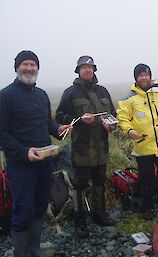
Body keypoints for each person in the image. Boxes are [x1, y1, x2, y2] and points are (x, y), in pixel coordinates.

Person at [0, 50, 71, 257]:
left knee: (40, 205)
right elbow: (1, 132)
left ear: (38, 69)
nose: (29, 68)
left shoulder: (41, 95)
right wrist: (24, 152)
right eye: (25, 65)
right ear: (17, 68)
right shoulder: (5, 96)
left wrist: (58, 130)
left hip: (45, 160)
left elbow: (47, 124)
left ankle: (34, 249)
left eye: (33, 65)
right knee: (23, 208)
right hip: (21, 164)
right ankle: (21, 253)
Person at [56, 56, 116, 238]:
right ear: (78, 71)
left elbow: (112, 114)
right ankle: (80, 222)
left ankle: (99, 215)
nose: (87, 70)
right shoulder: (71, 92)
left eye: (90, 67)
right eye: (84, 68)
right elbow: (59, 115)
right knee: (80, 185)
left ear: (94, 70)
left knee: (99, 181)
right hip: (82, 149)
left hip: (101, 148)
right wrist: (77, 119)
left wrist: (111, 124)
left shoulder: (103, 91)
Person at [117, 63, 158, 220]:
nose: (144, 77)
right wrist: (129, 131)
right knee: (145, 179)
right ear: (136, 78)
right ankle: (148, 208)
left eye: (146, 74)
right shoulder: (128, 99)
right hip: (143, 146)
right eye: (140, 75)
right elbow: (122, 118)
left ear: (150, 76)